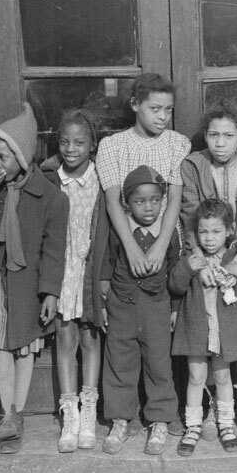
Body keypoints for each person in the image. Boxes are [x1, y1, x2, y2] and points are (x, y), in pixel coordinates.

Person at [0, 105, 69, 454]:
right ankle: (5, 416)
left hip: (29, 283)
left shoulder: (51, 196)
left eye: (3, 158)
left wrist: (50, 292)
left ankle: (17, 413)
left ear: (22, 155)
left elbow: (55, 250)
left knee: (24, 345)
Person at [95, 73, 190, 435]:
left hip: (164, 248)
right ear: (135, 104)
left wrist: (162, 244)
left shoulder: (177, 144)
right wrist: (133, 247)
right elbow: (113, 202)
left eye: (168, 110)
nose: (162, 116)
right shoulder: (113, 146)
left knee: (159, 344)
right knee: (121, 345)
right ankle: (121, 417)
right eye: (154, 109)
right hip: (126, 245)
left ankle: (163, 417)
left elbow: (175, 201)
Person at [179, 105, 237, 441]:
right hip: (204, 253)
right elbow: (190, 215)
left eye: (228, 135)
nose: (220, 142)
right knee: (208, 341)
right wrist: (202, 262)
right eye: (214, 135)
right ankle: (211, 408)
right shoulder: (194, 165)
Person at [170, 199, 237, 455]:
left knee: (223, 376)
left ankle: (226, 423)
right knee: (196, 377)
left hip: (224, 332)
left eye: (216, 232)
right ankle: (192, 426)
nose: (209, 238)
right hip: (197, 328)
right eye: (203, 232)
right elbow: (176, 287)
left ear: (229, 231)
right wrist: (187, 269)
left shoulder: (234, 258)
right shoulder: (191, 258)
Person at [100, 165, 181, 456]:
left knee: (158, 364)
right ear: (126, 203)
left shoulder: (167, 236)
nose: (148, 207)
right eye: (140, 201)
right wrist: (103, 302)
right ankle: (121, 419)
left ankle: (159, 420)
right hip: (122, 306)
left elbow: (175, 273)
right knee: (120, 362)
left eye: (155, 200)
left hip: (156, 309)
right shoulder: (120, 233)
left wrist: (174, 308)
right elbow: (106, 265)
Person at [40, 110, 108, 452]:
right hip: (62, 270)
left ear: (92, 145)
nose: (71, 148)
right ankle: (70, 413)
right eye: (65, 141)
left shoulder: (101, 179)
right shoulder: (51, 180)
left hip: (90, 270)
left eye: (80, 142)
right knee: (65, 340)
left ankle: (89, 411)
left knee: (90, 338)